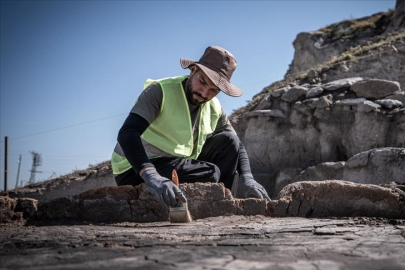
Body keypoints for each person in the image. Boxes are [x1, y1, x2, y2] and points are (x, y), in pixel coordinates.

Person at [111, 45, 270, 207]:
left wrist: (248, 177)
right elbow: (127, 133)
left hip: (177, 164)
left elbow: (236, 144)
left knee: (229, 141)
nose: (205, 93)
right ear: (193, 70)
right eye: (202, 82)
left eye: (214, 90)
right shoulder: (160, 91)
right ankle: (205, 204)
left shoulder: (214, 106)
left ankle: (222, 206)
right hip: (136, 169)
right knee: (211, 173)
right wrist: (151, 175)